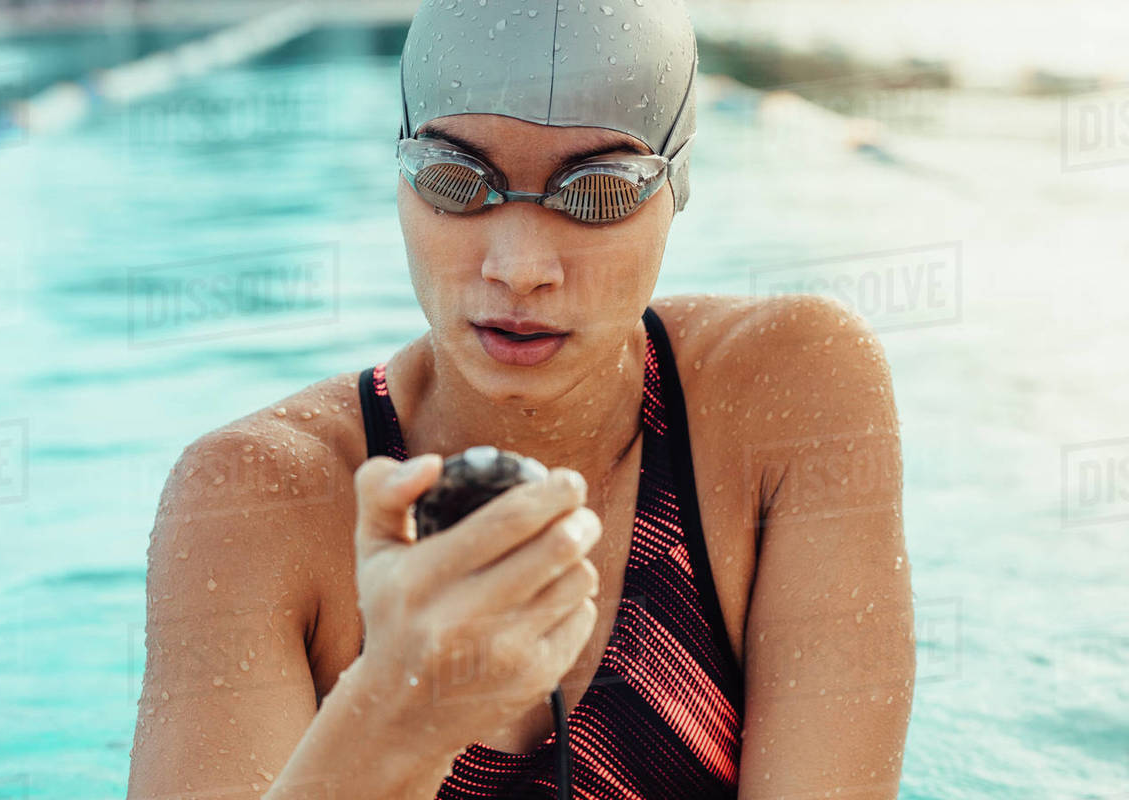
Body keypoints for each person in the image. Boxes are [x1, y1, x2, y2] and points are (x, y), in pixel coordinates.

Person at [127, 1, 915, 798]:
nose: (520, 266)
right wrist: (396, 715)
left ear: (678, 186)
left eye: (600, 190)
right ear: (400, 175)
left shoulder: (791, 394)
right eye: (455, 181)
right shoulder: (252, 502)